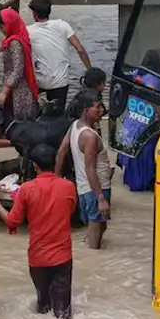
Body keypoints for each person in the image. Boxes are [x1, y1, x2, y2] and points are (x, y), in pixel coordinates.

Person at [0, 144, 77, 319]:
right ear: (55, 162)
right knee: (63, 314)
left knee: (43, 308)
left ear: (35, 166)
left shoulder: (26, 189)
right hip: (62, 257)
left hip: (38, 258)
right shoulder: (68, 186)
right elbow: (70, 211)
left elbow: (13, 221)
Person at [57, 90, 113, 248]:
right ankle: (93, 262)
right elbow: (90, 169)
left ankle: (87, 245)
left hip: (84, 189)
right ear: (85, 110)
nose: (102, 109)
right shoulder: (90, 137)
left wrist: (56, 179)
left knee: (100, 226)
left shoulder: (75, 126)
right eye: (97, 107)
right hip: (95, 189)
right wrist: (101, 198)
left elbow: (61, 152)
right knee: (97, 232)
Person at [26, 0, 91, 116]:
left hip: (40, 81)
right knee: (57, 116)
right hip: (60, 81)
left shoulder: (28, 31)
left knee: (34, 112)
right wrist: (90, 70)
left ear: (34, 14)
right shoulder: (63, 25)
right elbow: (80, 49)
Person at [120, 48, 160, 191]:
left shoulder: (139, 73)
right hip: (144, 128)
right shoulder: (155, 82)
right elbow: (155, 106)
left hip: (131, 121)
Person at [0, 8, 39, 120]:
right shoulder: (17, 38)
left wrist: (4, 91)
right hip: (15, 86)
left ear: (10, 24)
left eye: (2, 27)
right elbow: (4, 46)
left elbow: (18, 69)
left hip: (19, 89)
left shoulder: (14, 43)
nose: (1, 30)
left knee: (19, 123)